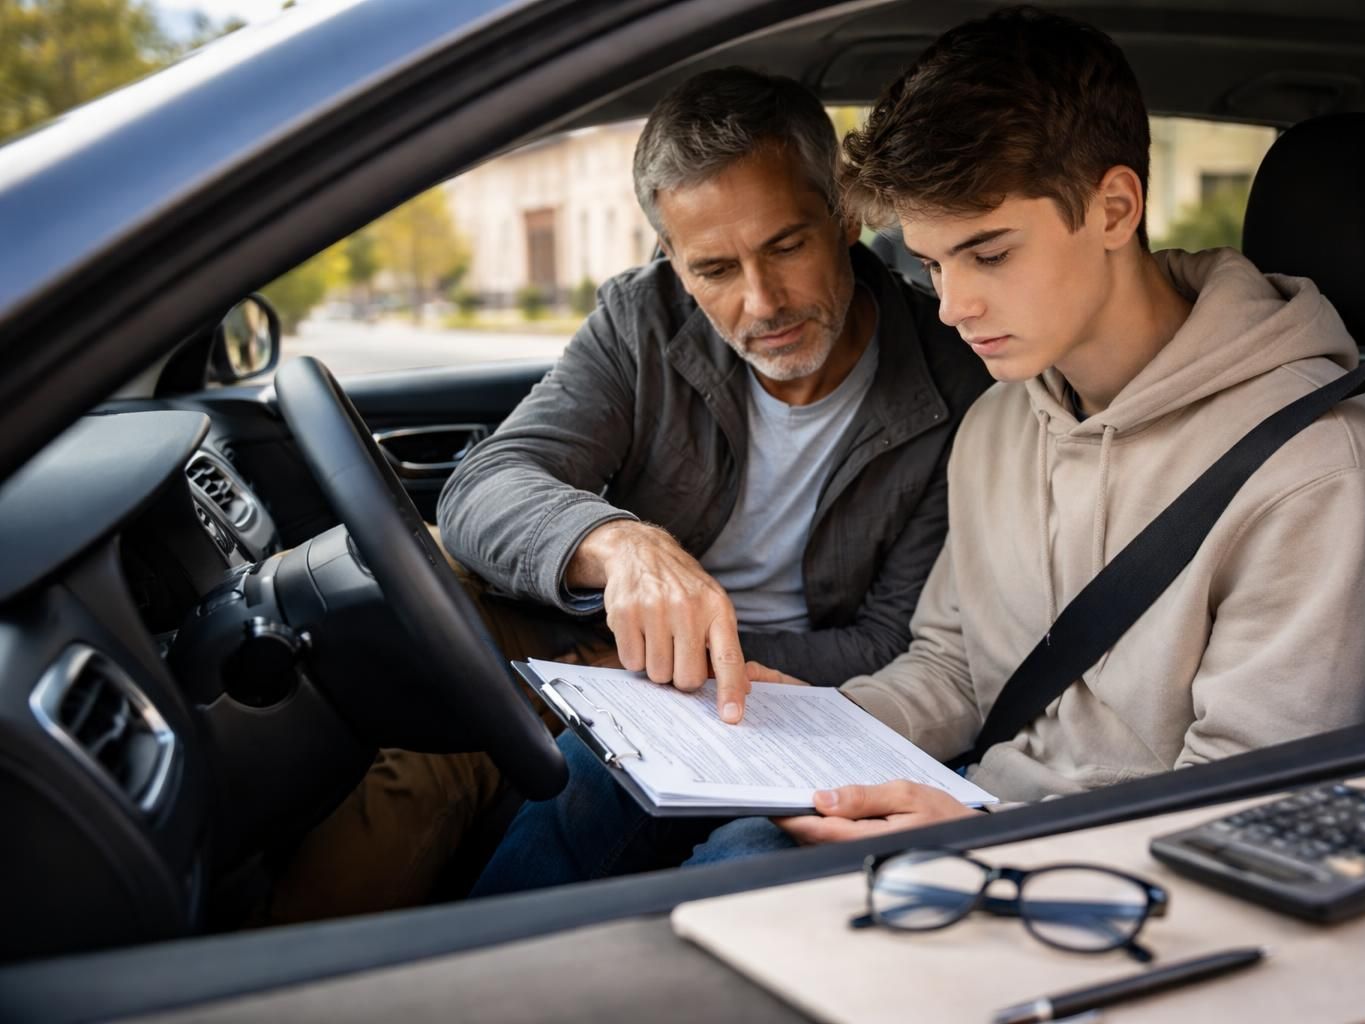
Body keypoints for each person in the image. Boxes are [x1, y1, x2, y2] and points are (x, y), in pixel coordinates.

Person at [471, 5, 1365, 894]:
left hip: (1100, 876)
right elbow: (956, 665)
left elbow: (1249, 812)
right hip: (975, 801)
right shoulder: (1005, 416)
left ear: (1116, 209)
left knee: (744, 861)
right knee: (617, 770)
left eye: (990, 253)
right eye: (930, 263)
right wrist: (802, 726)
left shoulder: (1318, 469)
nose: (953, 306)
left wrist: (980, 826)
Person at [263, 65, 991, 922]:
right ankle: (282, 978)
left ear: (844, 212)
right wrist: (622, 544)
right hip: (604, 653)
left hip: (790, 698)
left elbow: (894, 643)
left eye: (786, 246)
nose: (761, 301)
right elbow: (485, 486)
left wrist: (670, 673)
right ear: (673, 263)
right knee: (417, 641)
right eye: (715, 268)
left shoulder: (955, 378)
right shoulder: (643, 322)